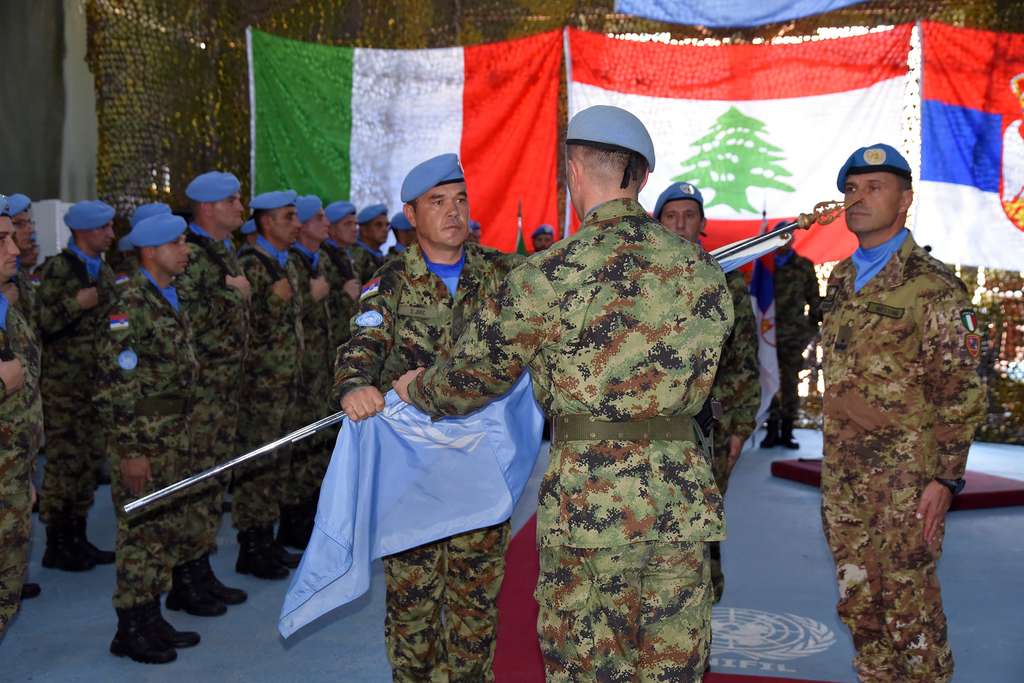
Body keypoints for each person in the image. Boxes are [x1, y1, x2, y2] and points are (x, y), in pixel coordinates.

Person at [393, 106, 734, 681]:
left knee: (590, 666)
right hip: (681, 497)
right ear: (643, 178)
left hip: (590, 502)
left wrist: (417, 388)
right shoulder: (701, 269)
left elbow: (473, 377)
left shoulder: (547, 274)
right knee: (674, 667)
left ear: (573, 170)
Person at [336, 153, 522, 682]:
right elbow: (363, 342)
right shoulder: (391, 282)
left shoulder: (502, 273)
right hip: (413, 475)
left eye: (460, 200)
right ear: (411, 216)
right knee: (414, 613)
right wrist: (355, 385)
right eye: (437, 202)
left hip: (479, 474)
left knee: (474, 613)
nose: (453, 212)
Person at [821, 143, 985, 683]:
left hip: (905, 484)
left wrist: (946, 478)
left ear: (905, 200)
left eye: (875, 187)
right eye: (851, 188)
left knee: (910, 614)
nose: (858, 198)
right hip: (844, 479)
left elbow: (960, 390)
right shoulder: (842, 279)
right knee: (860, 606)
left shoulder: (934, 286)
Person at [95, 212, 202, 664]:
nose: (186, 249)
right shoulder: (130, 303)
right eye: (177, 243)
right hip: (144, 438)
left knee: (163, 529)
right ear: (151, 251)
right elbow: (115, 385)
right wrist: (132, 452)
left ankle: (151, 615)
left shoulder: (170, 294)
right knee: (139, 533)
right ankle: (130, 626)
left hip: (173, 433)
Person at [654, 181, 759, 604]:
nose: (680, 225)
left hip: (707, 431)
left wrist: (740, 427)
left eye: (689, 215)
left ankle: (699, 622)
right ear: (656, 223)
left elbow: (744, 361)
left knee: (701, 528)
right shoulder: (641, 283)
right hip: (650, 431)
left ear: (703, 223)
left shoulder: (727, 284)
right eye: (670, 216)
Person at [173, 171, 251, 610]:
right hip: (200, 392)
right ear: (208, 208)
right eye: (233, 200)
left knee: (212, 483)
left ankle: (201, 568)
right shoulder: (191, 255)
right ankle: (185, 577)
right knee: (195, 481)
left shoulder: (223, 252)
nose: (241, 207)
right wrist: (233, 294)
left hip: (224, 388)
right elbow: (187, 324)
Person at [36, 200, 119, 571]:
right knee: (64, 463)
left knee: (87, 461)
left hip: (96, 384)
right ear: (84, 230)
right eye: (104, 228)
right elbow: (42, 323)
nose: (111, 235)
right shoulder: (57, 269)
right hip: (64, 387)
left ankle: (78, 536)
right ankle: (57, 541)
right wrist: (76, 303)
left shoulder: (104, 269)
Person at [234, 190, 304, 579]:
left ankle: (269, 537)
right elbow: (239, 328)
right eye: (288, 217)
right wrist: (272, 303)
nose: (297, 224)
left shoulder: (284, 262)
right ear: (266, 222)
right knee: (257, 463)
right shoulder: (249, 265)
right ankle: (252, 544)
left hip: (285, 380)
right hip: (259, 386)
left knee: (278, 461)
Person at [278, 195, 333, 550]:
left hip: (316, 369)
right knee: (292, 451)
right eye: (320, 219)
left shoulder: (318, 260)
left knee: (314, 446)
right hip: (288, 373)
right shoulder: (289, 263)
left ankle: (305, 517)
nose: (321, 224)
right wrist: (311, 298)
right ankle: (286, 526)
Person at [0, 196, 44, 635]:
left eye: (13, 236)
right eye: (1, 239)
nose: (15, 249)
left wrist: (24, 474)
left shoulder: (7, 310)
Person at [761, 221, 821, 449]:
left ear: (793, 238)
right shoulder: (765, 268)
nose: (783, 239)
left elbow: (814, 301)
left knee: (789, 383)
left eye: (787, 235)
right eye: (778, 235)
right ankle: (770, 430)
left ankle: (787, 431)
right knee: (769, 381)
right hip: (768, 336)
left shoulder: (803, 266)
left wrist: (808, 331)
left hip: (793, 337)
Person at [321, 200, 360, 349]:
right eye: (347, 224)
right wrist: (344, 295)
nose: (354, 229)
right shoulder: (324, 257)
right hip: (330, 343)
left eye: (355, 224)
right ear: (331, 229)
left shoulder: (344, 255)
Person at [351, 203, 388, 282]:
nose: (385, 229)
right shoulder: (357, 255)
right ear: (364, 230)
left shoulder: (376, 255)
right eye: (379, 225)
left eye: (387, 225)